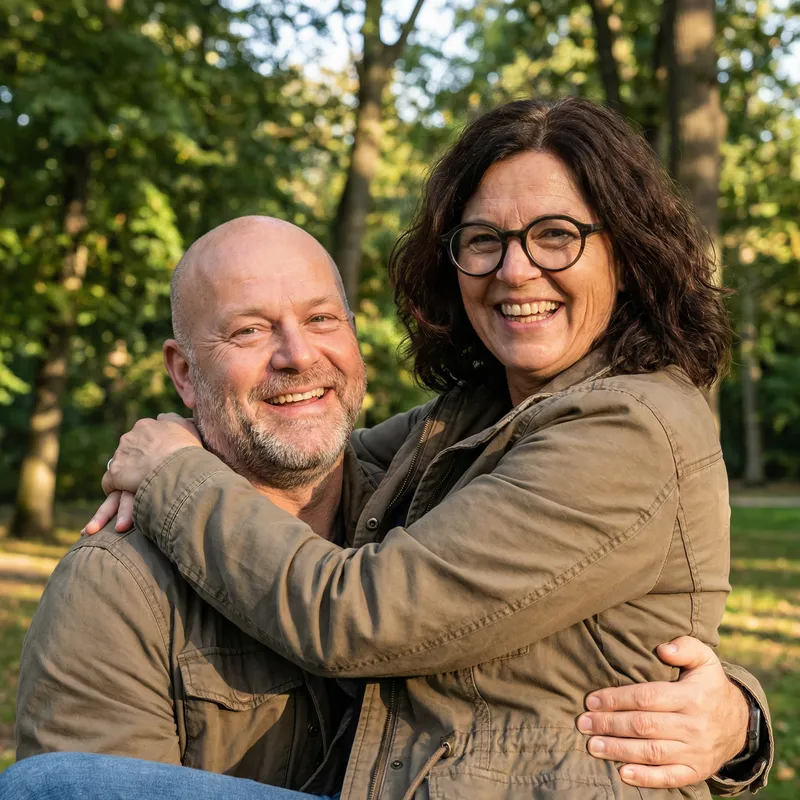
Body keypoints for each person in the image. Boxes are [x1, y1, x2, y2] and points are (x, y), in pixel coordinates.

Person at [2, 98, 773, 799]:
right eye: (483, 241)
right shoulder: (467, 427)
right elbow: (320, 443)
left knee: (53, 788)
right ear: (183, 371)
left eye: (556, 237)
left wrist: (736, 715)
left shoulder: (624, 425)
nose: (515, 269)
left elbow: (363, 617)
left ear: (626, 252)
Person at [13, 218, 372, 792]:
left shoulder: (431, 515)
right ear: (185, 373)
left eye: (322, 319)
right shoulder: (116, 587)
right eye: (250, 331)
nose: (299, 356)